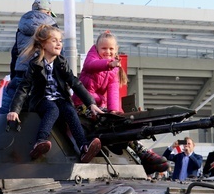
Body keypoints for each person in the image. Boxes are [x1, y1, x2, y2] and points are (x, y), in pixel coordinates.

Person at [71, 30, 168, 175]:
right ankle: (143, 153)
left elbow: (113, 92)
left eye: (111, 49)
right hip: (81, 104)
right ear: (96, 48)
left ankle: (144, 154)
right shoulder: (93, 59)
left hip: (99, 107)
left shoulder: (114, 70)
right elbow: (92, 65)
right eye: (104, 48)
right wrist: (110, 64)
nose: (107, 51)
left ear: (116, 50)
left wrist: (115, 111)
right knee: (106, 121)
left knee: (118, 122)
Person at [7, 24, 104, 162]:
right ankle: (40, 141)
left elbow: (74, 82)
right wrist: (14, 110)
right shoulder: (35, 64)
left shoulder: (62, 62)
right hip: (42, 99)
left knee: (70, 111)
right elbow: (24, 87)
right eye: (54, 40)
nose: (59, 44)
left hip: (60, 98)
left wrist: (91, 103)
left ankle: (84, 147)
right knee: (53, 110)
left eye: (60, 41)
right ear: (43, 45)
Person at [0, 0, 58, 115]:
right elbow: (57, 53)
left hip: (21, 72)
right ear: (49, 12)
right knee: (44, 111)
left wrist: (14, 75)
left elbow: (15, 53)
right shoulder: (52, 26)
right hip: (41, 73)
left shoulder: (21, 26)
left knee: (10, 108)